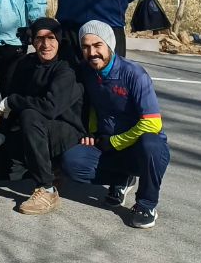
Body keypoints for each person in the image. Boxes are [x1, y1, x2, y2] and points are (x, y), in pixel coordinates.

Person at [61, 21, 170, 229]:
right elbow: (92, 105)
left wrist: (115, 142)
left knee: (152, 145)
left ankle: (146, 204)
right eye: (86, 47)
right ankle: (121, 179)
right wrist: (91, 131)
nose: (92, 53)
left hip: (138, 149)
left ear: (110, 44)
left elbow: (152, 123)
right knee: (72, 162)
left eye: (97, 45)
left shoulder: (134, 74)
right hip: (108, 145)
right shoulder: (87, 72)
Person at [0, 17, 85, 215]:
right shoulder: (26, 63)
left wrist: (12, 101)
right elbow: (15, 98)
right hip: (32, 134)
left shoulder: (66, 69)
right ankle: (43, 168)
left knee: (30, 115)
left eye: (51, 38)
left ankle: (46, 188)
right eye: (39, 38)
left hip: (64, 132)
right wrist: (2, 132)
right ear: (33, 41)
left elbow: (49, 108)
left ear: (59, 40)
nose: (45, 44)